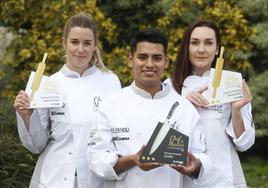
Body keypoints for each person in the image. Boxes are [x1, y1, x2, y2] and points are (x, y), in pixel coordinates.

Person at [88, 28, 211, 188]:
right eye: (142, 57)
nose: (150, 64)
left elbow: (202, 155)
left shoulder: (184, 108)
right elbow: (95, 158)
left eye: (157, 58)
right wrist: (133, 160)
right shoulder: (110, 105)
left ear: (166, 61)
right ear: (130, 60)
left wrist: (196, 166)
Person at [13, 13, 121, 188]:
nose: (80, 49)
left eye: (87, 43)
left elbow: (118, 134)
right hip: (54, 177)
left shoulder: (110, 81)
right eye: (74, 42)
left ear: (95, 45)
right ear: (64, 42)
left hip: (96, 178)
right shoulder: (48, 83)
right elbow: (37, 145)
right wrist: (26, 115)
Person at [169, 20, 255, 187]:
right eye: (194, 43)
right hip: (180, 177)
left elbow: (244, 144)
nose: (201, 49)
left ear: (217, 49)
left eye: (208, 43)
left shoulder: (231, 84)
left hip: (222, 178)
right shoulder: (169, 87)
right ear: (187, 48)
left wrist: (236, 110)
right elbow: (159, 137)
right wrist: (184, 106)